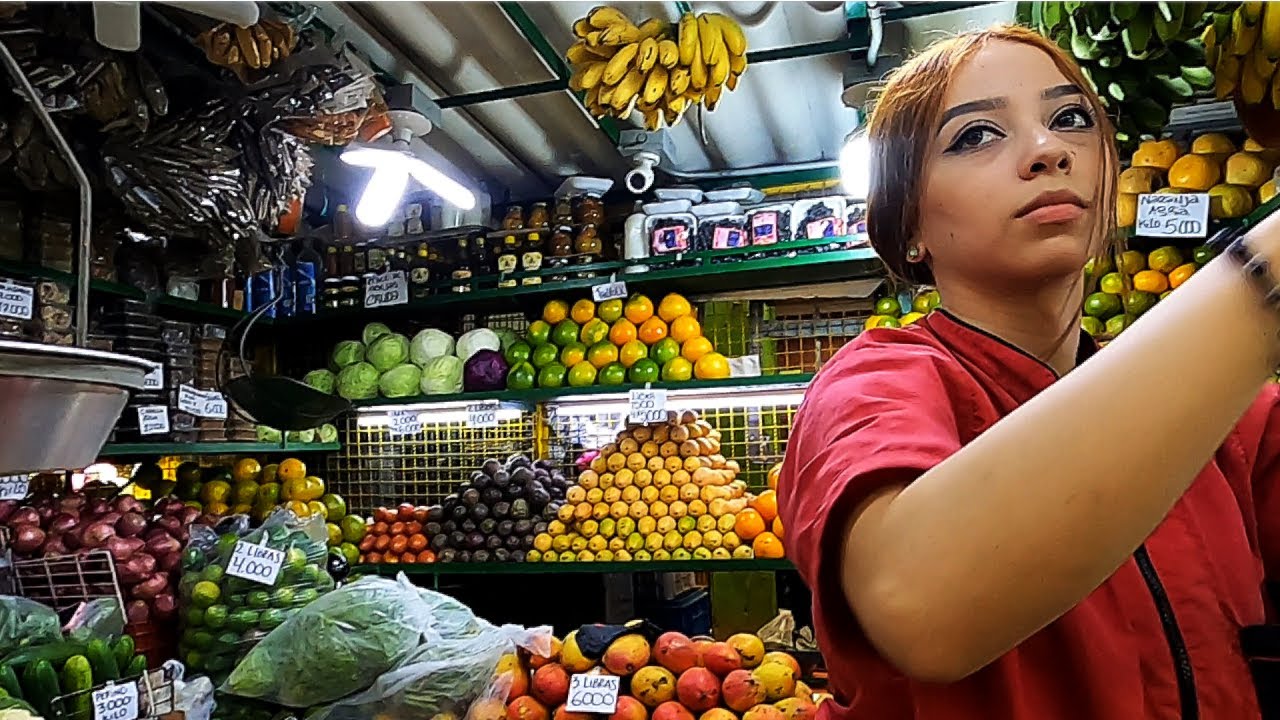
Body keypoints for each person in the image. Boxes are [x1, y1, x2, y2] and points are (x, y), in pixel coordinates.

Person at [777, 23, 1280, 720]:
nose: (1048, 150)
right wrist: (1261, 279)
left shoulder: (1238, 415)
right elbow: (920, 605)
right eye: (975, 136)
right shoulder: (873, 385)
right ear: (910, 225)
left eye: (1071, 119)